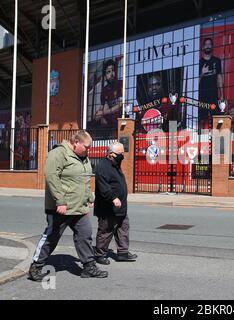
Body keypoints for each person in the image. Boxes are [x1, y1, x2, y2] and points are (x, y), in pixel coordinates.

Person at [28, 130, 108, 281]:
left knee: (85, 235)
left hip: (79, 206)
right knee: (51, 237)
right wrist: (60, 201)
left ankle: (88, 267)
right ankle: (36, 267)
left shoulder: (83, 157)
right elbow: (52, 177)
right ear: (76, 142)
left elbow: (83, 179)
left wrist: (89, 197)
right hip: (61, 207)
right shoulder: (58, 153)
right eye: (86, 147)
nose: (88, 150)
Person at [94, 141, 137, 264]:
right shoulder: (103, 165)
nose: (122, 155)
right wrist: (113, 197)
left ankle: (123, 253)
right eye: (120, 153)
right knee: (106, 231)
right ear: (111, 154)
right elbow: (103, 186)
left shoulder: (115, 164)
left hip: (120, 206)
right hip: (108, 207)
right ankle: (100, 254)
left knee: (123, 228)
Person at [199, 38, 224, 128]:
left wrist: (222, 95)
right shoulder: (199, 63)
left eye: (209, 44)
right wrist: (202, 73)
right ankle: (199, 138)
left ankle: (217, 138)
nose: (208, 46)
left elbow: (219, 77)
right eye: (206, 44)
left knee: (218, 120)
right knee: (201, 120)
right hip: (202, 97)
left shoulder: (217, 61)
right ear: (203, 47)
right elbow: (194, 82)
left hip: (213, 95)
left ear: (212, 46)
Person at [95, 59, 123, 128]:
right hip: (111, 124)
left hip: (122, 123)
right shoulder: (104, 90)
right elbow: (102, 108)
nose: (111, 74)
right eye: (108, 72)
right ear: (105, 77)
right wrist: (99, 116)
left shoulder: (120, 84)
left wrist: (103, 113)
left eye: (113, 70)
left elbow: (120, 104)